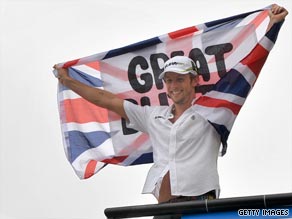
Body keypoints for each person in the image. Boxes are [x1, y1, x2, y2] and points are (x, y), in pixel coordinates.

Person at [54, 4, 288, 219]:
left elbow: (249, 68)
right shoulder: (153, 116)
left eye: (179, 80)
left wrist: (272, 26)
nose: (174, 86)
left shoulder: (214, 111)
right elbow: (107, 100)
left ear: (193, 81)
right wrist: (70, 81)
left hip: (200, 207)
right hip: (164, 211)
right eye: (169, 81)